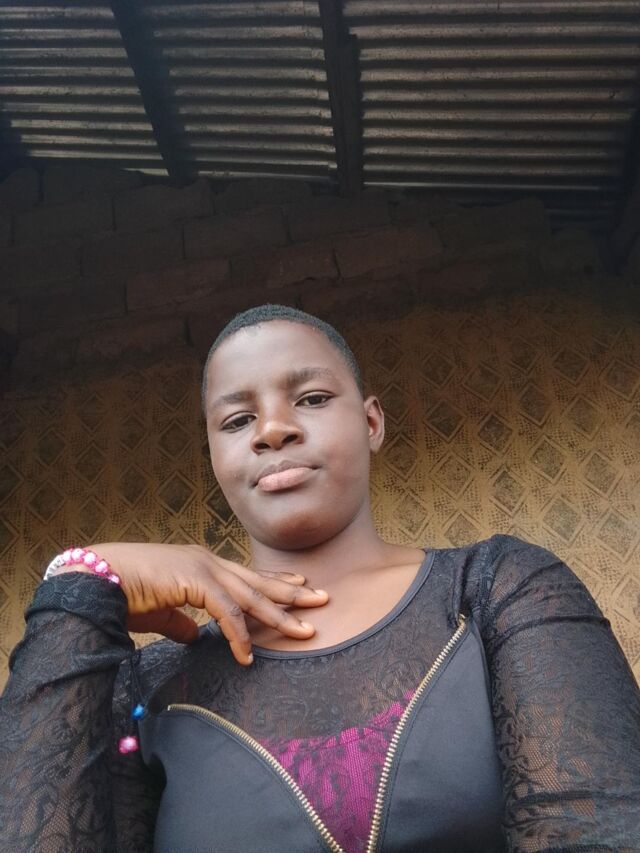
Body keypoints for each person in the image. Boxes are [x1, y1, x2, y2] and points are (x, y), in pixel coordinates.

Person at [1, 303, 639, 853]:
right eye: (236, 421)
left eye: (310, 399)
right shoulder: (151, 686)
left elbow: (596, 828)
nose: (272, 430)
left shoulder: (497, 589)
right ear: (215, 456)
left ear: (371, 422)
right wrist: (84, 584)